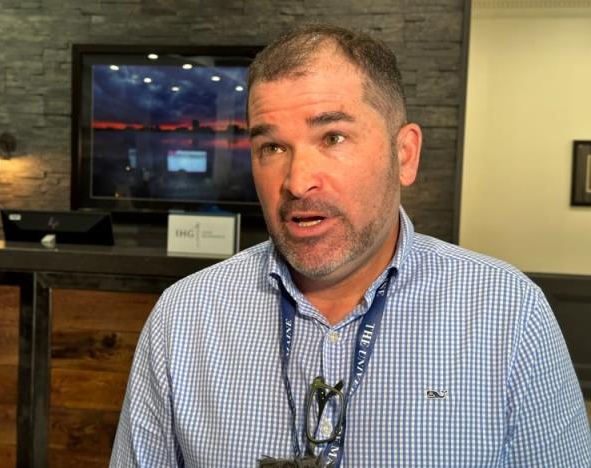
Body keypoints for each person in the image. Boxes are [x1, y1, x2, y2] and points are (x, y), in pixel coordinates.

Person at [110, 24, 591, 467]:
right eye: (272, 148)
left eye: (333, 136)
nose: (297, 182)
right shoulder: (184, 319)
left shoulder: (507, 314)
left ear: (404, 155)